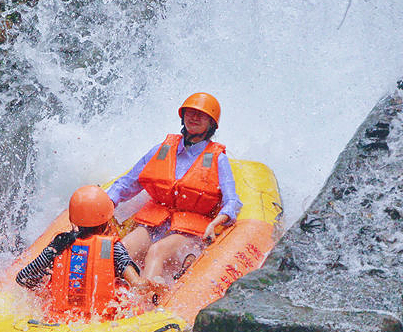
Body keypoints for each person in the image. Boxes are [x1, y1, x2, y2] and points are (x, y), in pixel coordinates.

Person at [106, 92, 242, 283]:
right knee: (120, 249)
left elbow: (232, 201)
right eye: (190, 112)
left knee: (157, 251)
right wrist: (106, 202)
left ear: (211, 123)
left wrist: (215, 223)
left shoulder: (218, 159)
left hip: (190, 231)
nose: (194, 118)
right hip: (155, 224)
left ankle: (143, 303)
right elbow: (128, 183)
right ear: (182, 115)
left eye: (201, 115)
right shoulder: (161, 149)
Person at [16, 185, 161, 320]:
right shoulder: (111, 248)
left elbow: (23, 278)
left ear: (73, 220)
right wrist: (158, 288)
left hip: (61, 319)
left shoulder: (58, 245)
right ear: (106, 221)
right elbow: (137, 284)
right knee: (131, 301)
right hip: (101, 319)